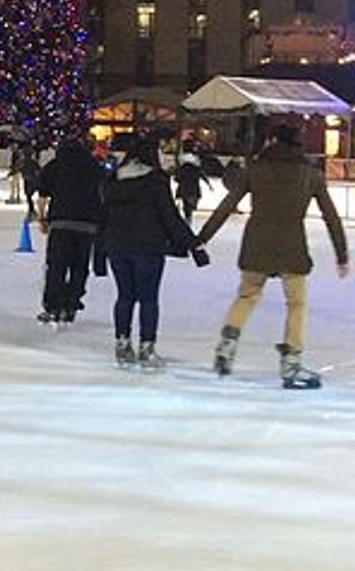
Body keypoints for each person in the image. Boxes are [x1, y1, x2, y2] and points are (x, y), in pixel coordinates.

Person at [194, 122, 349, 388]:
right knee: (296, 304)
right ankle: (291, 362)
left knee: (247, 295)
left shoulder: (255, 170)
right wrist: (341, 253)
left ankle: (227, 345)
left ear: (273, 141)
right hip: (292, 247)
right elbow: (331, 217)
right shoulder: (310, 174)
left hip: (258, 245)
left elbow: (226, 206)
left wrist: (202, 238)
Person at [99, 136, 209, 369]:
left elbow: (103, 218)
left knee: (124, 296)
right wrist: (194, 245)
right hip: (148, 248)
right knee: (148, 299)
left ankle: (122, 344)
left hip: (117, 247)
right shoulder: (155, 181)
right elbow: (169, 216)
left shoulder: (113, 181)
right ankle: (146, 349)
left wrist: (99, 252)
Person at [35, 136, 105, 326]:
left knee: (56, 266)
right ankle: (72, 303)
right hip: (87, 225)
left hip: (60, 223)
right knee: (79, 266)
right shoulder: (94, 167)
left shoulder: (54, 166)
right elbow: (104, 194)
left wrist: (42, 218)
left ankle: (53, 305)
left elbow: (42, 196)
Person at [173, 149, 205, 223]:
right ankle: (189, 216)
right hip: (194, 190)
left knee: (186, 205)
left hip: (184, 190)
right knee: (190, 205)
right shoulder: (196, 169)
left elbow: (176, 178)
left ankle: (188, 217)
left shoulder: (182, 168)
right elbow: (202, 176)